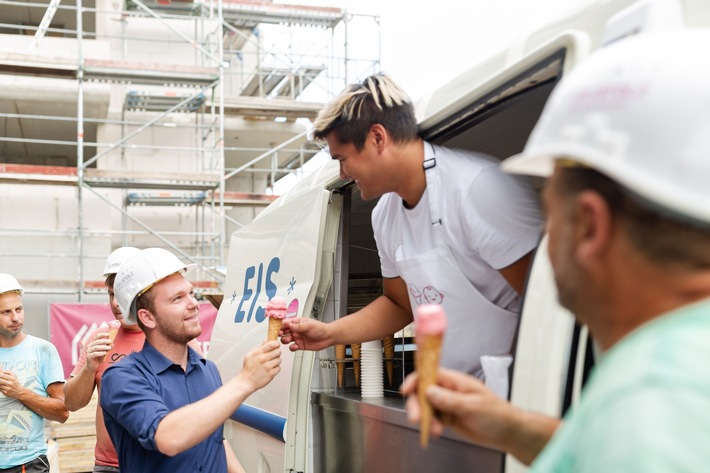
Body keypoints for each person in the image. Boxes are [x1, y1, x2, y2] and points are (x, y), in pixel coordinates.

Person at [402, 29, 710, 471]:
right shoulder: (674, 375)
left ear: (588, 226)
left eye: (548, 215)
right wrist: (510, 426)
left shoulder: (650, 404)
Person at [280, 73, 543, 378]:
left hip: (514, 394)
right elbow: (398, 303)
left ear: (378, 138)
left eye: (343, 158)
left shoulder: (475, 188)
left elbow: (544, 298)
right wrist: (330, 333)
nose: (342, 174)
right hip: (448, 396)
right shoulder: (384, 216)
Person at [100, 248, 281, 472]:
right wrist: (246, 381)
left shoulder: (208, 371)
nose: (194, 304)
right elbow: (167, 437)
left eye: (191, 294)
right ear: (147, 317)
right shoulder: (121, 378)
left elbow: (215, 440)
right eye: (177, 298)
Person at [63, 247, 143, 473]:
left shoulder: (168, 337)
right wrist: (89, 369)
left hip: (156, 461)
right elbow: (71, 403)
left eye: (123, 292)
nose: (116, 303)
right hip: (108, 466)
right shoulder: (100, 337)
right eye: (111, 294)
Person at [0, 273, 69, 472]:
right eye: (5, 312)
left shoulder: (43, 350)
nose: (15, 317)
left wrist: (18, 392)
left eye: (19, 309)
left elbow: (62, 412)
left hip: (28, 464)